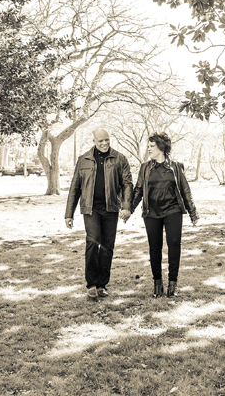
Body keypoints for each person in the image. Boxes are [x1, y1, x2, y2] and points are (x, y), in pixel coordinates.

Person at [65, 128, 133, 300]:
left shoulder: (119, 158)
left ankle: (102, 285)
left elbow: (127, 184)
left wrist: (126, 206)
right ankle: (91, 284)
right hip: (91, 209)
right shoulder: (83, 160)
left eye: (106, 140)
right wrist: (69, 214)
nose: (104, 143)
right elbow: (75, 188)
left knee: (107, 247)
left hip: (111, 208)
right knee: (93, 242)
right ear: (94, 141)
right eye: (100, 141)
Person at [130, 132, 198, 298]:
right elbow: (138, 190)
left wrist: (193, 212)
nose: (149, 149)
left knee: (174, 245)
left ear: (161, 147)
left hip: (172, 210)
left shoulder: (176, 167)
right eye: (148, 146)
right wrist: (128, 209)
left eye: (152, 146)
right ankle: (157, 284)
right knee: (155, 247)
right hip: (151, 212)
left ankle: (172, 284)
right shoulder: (145, 167)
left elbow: (185, 190)